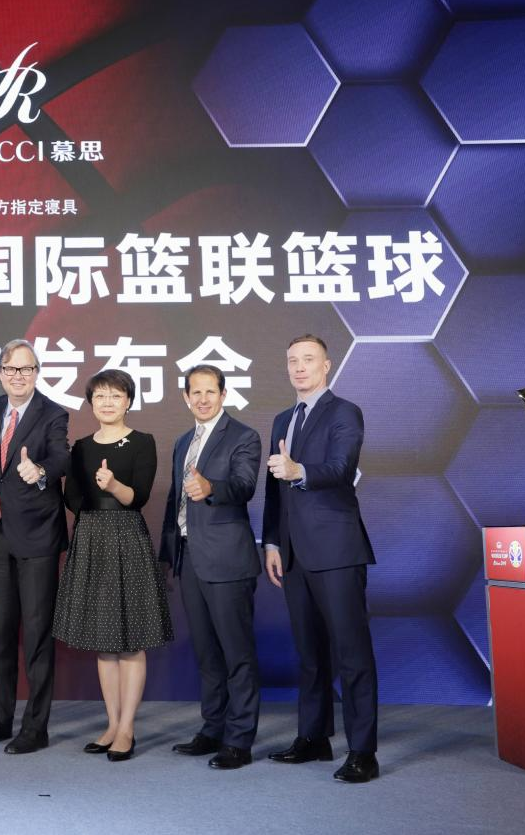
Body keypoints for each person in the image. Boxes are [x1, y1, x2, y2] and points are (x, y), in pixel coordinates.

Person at [262, 334, 379, 783]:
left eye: (308, 359)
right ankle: (313, 737)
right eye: (292, 360)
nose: (299, 367)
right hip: (292, 552)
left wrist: (300, 471)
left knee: (351, 653)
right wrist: (272, 542)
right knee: (309, 653)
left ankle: (363, 751)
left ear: (326, 365)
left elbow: (342, 469)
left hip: (336, 550)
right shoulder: (282, 419)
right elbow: (274, 490)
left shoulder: (344, 412)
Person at [53, 368, 171, 761]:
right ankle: (111, 723)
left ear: (128, 401)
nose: (107, 402)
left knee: (130, 640)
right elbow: (71, 497)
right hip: (91, 537)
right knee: (103, 642)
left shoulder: (142, 441)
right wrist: (88, 495)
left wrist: (113, 485)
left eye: (116, 396)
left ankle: (127, 728)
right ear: (91, 403)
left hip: (126, 535)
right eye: (100, 396)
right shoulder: (81, 447)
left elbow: (139, 496)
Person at [159, 365, 262, 770]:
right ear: (186, 397)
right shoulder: (183, 441)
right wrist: (167, 555)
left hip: (227, 560)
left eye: (210, 391)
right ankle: (212, 729)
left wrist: (211, 488)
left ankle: (239, 740)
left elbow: (244, 485)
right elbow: (175, 502)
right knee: (206, 654)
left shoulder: (243, 436)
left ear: (223, 394)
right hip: (189, 559)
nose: (203, 399)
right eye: (195, 392)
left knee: (237, 654)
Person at [0, 339, 70, 755]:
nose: (18, 376)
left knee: (36, 633)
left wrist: (41, 470)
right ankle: (0, 718)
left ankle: (35, 726)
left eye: (26, 369)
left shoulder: (53, 413)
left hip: (37, 536)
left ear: (37, 373)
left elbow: (63, 457)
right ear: (0, 373)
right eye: (11, 369)